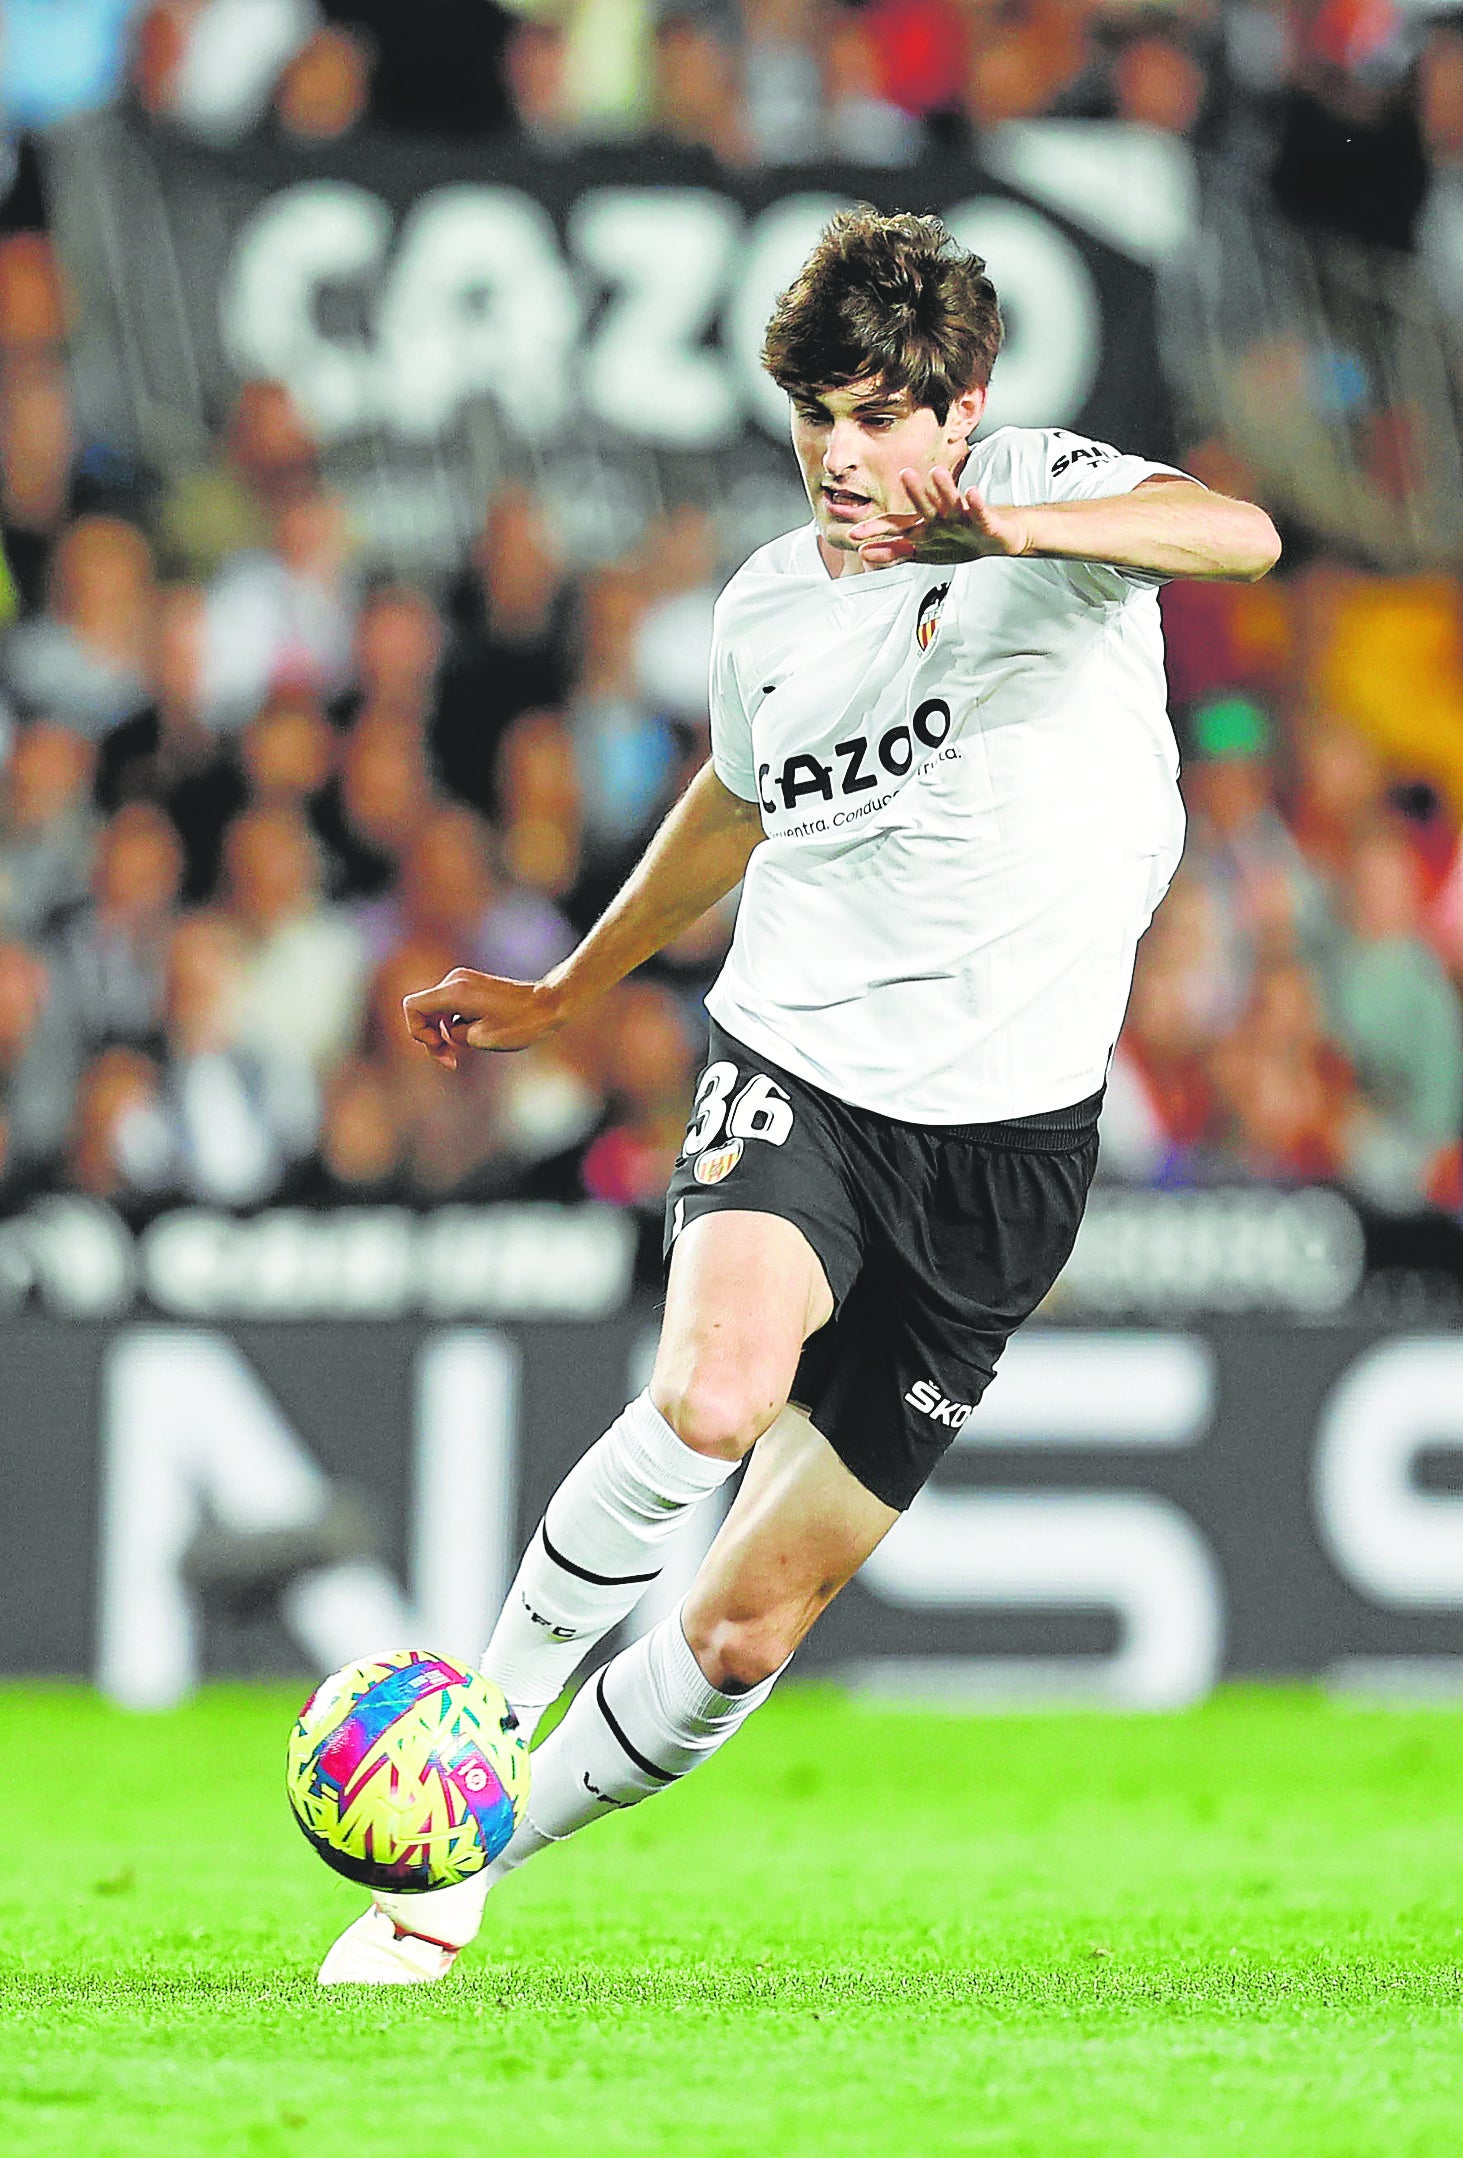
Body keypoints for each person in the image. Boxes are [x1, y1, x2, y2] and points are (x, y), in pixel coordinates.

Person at [319, 206, 1281, 1985]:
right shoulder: (767, 608)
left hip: (1011, 1150)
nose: (843, 458)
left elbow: (1239, 531)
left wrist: (1021, 519)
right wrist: (568, 987)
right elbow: (733, 802)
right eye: (816, 419)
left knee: (748, 1624)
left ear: (962, 408)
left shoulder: (1047, 498)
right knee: (712, 1391)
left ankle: (471, 1851)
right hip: (806, 1069)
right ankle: (460, 1768)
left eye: (877, 419)